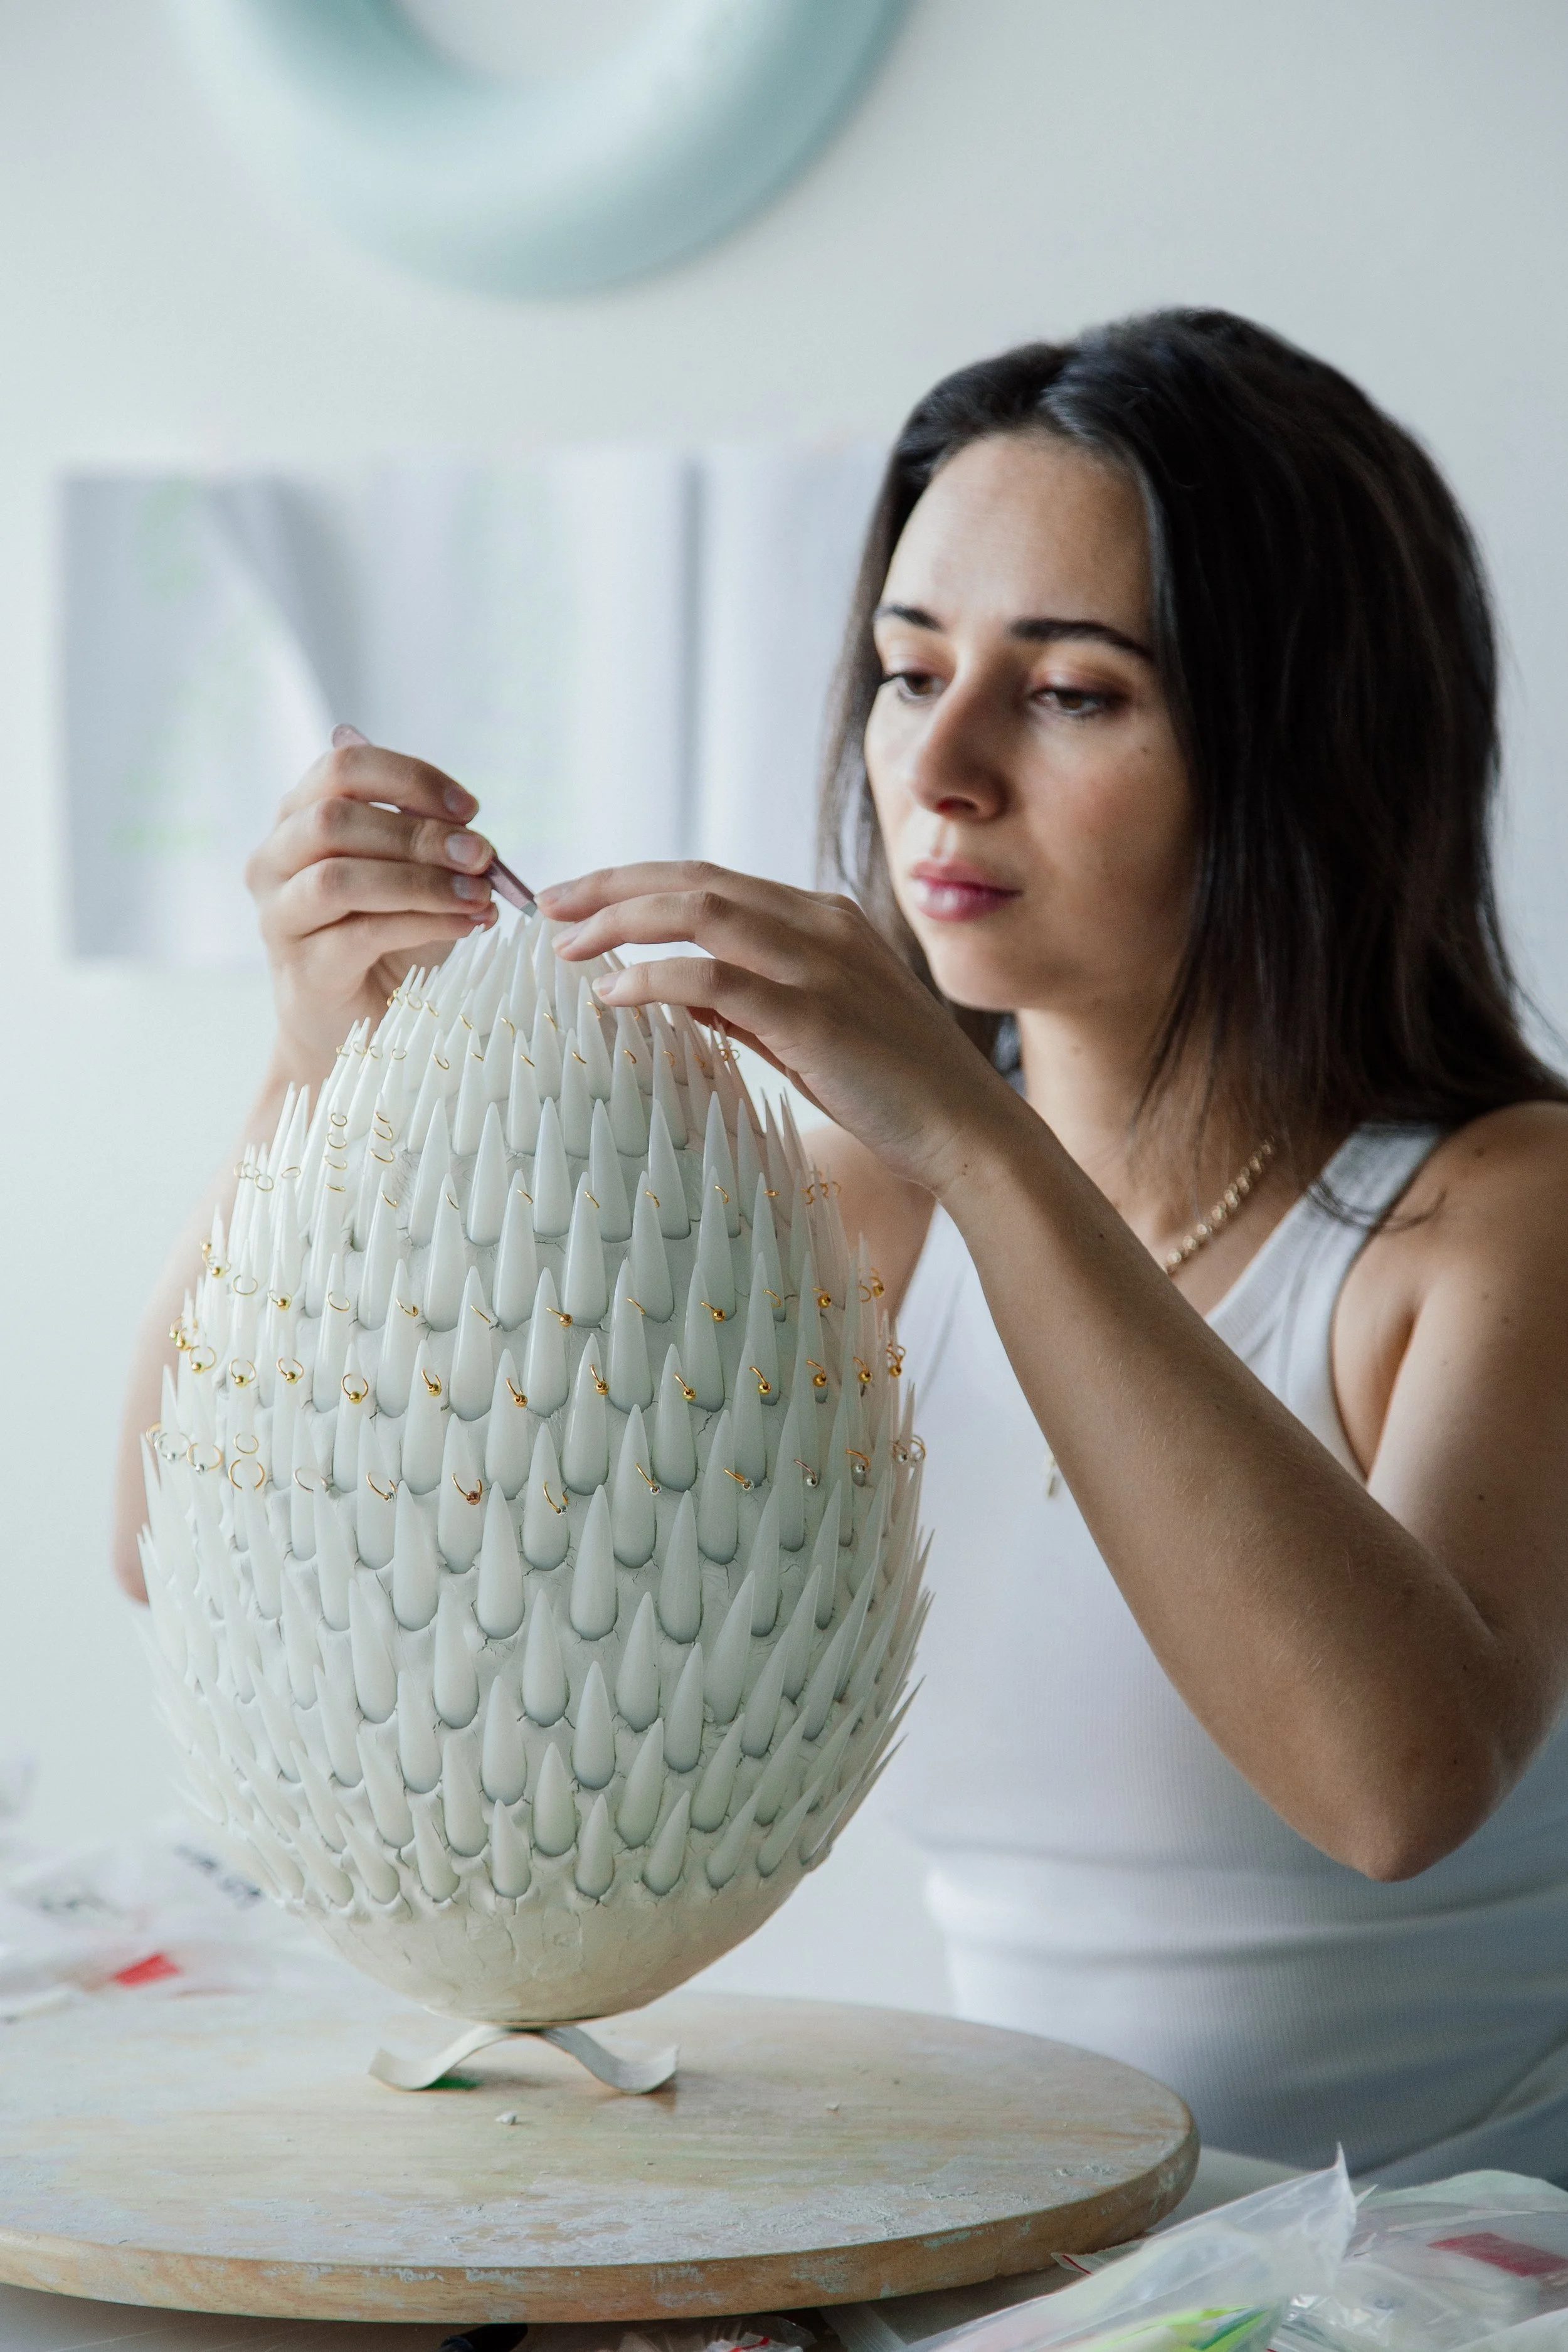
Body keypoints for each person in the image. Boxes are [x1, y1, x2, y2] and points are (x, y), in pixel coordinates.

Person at [117, 310, 1568, 2185]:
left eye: (1070, 693)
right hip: (1017, 2245)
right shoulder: (860, 1212)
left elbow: (1396, 1789)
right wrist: (318, 1065)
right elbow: (202, 1552)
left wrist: (968, 1123)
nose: (939, 767)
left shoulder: (1493, 1208)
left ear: (1308, 745)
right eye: (903, 671)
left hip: (1429, 2276)